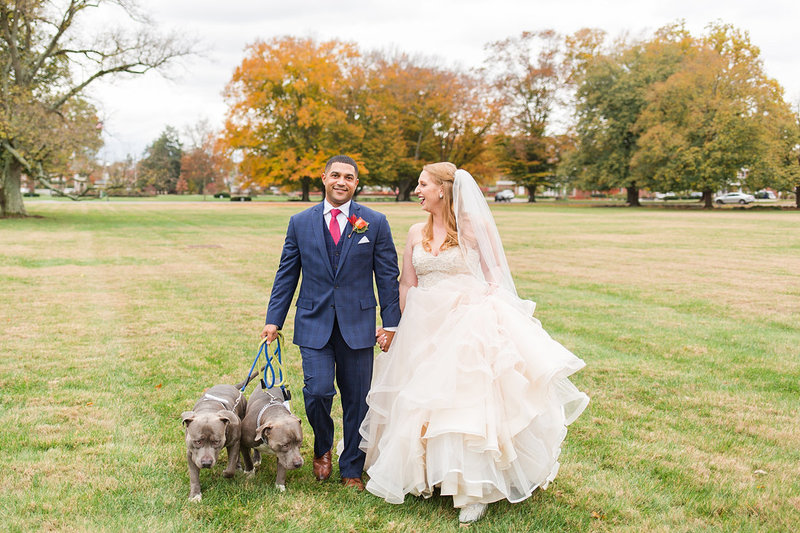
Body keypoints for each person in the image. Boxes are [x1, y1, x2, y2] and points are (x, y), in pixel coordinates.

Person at [363, 162, 590, 524]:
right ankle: (427, 475)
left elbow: (495, 276)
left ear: (442, 189)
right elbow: (407, 283)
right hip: (424, 325)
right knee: (420, 397)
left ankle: (474, 488)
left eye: (423, 185)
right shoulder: (413, 232)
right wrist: (408, 323)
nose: (417, 191)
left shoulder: (473, 228)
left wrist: (479, 303)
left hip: (466, 323)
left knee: (464, 402)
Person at [262, 155, 401, 491]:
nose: (342, 181)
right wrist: (273, 320)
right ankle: (322, 447)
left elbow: (387, 275)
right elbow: (286, 274)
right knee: (318, 392)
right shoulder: (299, 222)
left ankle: (351, 465)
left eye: (349, 177)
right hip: (313, 322)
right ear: (324, 178)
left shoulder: (375, 222)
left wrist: (392, 324)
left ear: (356, 183)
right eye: (336, 175)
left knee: (358, 399)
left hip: (358, 324)